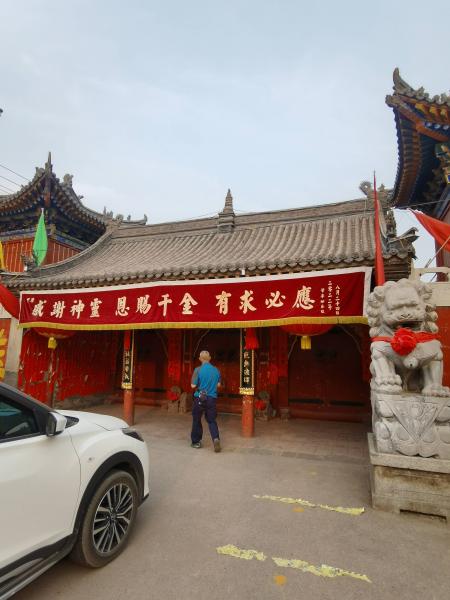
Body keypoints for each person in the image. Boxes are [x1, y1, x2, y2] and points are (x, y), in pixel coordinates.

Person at [190, 350, 221, 452]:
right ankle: (215, 438)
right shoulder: (216, 370)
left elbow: (193, 385)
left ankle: (196, 442)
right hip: (212, 398)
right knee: (212, 420)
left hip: (200, 396)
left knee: (197, 419)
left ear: (200, 359)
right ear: (210, 358)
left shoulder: (198, 370)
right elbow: (218, 385)